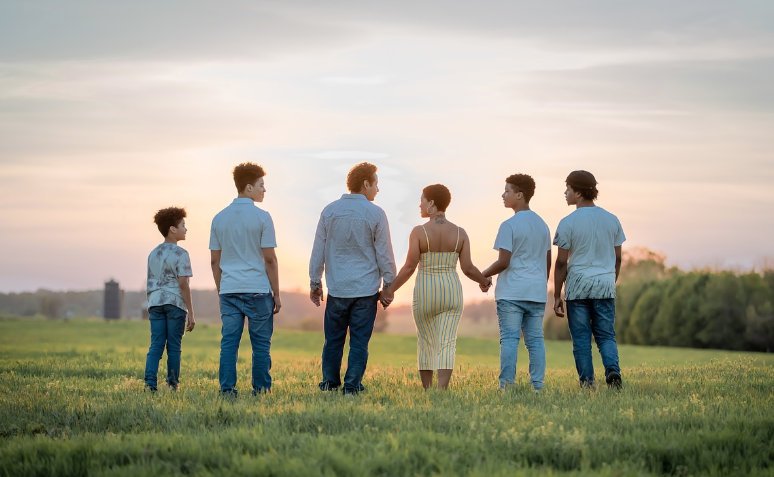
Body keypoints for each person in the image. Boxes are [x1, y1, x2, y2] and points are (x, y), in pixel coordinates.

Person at [381, 184, 491, 390]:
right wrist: (484, 281)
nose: (419, 204)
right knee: (447, 342)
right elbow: (467, 268)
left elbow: (409, 267)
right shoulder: (460, 233)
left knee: (426, 341)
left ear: (431, 203)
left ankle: (428, 390)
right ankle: (441, 391)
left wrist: (390, 290)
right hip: (451, 290)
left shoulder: (419, 232)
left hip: (425, 291)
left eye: (422, 199)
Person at [309, 162, 397, 395]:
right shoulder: (376, 214)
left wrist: (315, 282)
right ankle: (352, 386)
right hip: (365, 291)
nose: (378, 189)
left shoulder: (329, 210)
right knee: (359, 342)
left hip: (337, 289)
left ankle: (329, 383)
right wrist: (389, 285)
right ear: (366, 183)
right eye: (376, 183)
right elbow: (385, 254)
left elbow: (318, 250)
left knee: (333, 341)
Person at [210, 162, 281, 397]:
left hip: (229, 290)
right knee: (261, 345)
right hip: (259, 291)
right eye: (262, 185)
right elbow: (270, 259)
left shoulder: (218, 219)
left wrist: (221, 290)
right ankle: (261, 390)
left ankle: (227, 390)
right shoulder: (263, 217)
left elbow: (214, 261)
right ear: (248, 187)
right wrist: (277, 294)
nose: (264, 190)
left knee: (229, 343)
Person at [553, 170, 626, 389]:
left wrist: (557, 295)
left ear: (577, 191)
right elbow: (618, 258)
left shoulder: (567, 222)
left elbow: (560, 263)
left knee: (582, 338)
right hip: (604, 284)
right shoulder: (612, 219)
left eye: (567, 188)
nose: (565, 193)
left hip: (577, 287)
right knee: (606, 335)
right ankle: (613, 370)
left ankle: (587, 383)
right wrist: (610, 282)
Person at [482, 174, 551, 393]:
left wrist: (484, 274)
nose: (503, 195)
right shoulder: (543, 225)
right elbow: (547, 262)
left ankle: (506, 386)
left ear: (519, 195)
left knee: (510, 340)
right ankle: (538, 387)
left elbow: (504, 261)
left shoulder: (508, 225)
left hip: (511, 292)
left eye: (507, 191)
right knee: (535, 341)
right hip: (536, 291)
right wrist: (540, 283)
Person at [144, 207, 195, 393]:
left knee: (156, 344)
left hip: (155, 303)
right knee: (174, 347)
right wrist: (191, 312)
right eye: (183, 225)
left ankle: (150, 383)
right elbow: (183, 284)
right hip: (175, 303)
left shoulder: (153, 253)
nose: (186, 229)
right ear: (173, 229)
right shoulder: (181, 253)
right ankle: (172, 384)